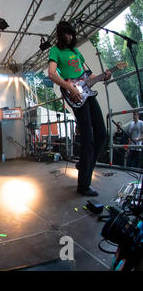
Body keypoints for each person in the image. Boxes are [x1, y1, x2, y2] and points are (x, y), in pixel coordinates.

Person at [48, 21, 111, 196]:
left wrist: (102, 76)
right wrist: (70, 88)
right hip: (75, 95)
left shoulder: (76, 52)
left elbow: (87, 75)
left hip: (87, 94)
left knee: (102, 134)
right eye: (67, 34)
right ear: (61, 34)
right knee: (88, 138)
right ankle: (83, 185)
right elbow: (52, 73)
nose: (70, 37)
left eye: (71, 34)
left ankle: (84, 164)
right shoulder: (56, 51)